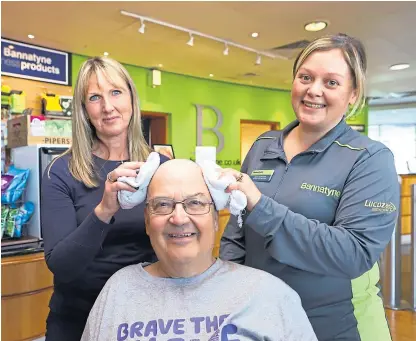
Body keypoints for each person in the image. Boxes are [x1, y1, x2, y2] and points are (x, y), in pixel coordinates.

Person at [220, 33, 400, 341]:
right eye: (305, 77)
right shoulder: (263, 146)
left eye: (331, 82)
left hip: (333, 326)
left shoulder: (370, 159)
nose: (313, 90)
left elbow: (353, 253)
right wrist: (225, 290)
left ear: (353, 94)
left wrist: (262, 207)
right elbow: (237, 232)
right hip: (258, 321)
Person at [81, 159, 318, 341]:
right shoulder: (118, 291)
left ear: (216, 219)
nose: (179, 217)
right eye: (163, 205)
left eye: (195, 203)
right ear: (146, 220)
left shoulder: (268, 294)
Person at [41, 56, 168, 341]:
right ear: (85, 110)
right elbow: (61, 265)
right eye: (95, 97)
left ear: (132, 100)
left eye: (115, 92)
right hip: (77, 319)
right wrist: (104, 210)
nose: (108, 107)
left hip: (145, 318)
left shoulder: (158, 166)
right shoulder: (61, 171)